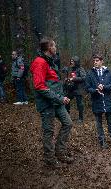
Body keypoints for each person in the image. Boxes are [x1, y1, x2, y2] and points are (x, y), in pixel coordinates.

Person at [30, 37, 74, 167]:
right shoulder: (39, 62)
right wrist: (60, 98)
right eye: (54, 46)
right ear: (49, 48)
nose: (56, 48)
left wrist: (63, 88)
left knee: (68, 123)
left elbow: (52, 81)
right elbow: (39, 86)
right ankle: (50, 159)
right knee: (48, 131)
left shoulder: (50, 61)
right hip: (47, 103)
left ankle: (60, 152)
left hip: (57, 102)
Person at [85, 54, 111, 148]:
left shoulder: (109, 72)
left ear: (102, 61)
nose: (95, 62)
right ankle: (102, 140)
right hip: (96, 101)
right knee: (98, 122)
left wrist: (104, 87)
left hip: (108, 100)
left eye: (97, 60)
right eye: (94, 61)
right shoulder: (90, 73)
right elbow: (87, 88)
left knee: (110, 121)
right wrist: (95, 90)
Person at [63, 56, 86, 123]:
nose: (71, 62)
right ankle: (67, 116)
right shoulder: (71, 69)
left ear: (76, 62)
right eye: (71, 61)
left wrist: (73, 79)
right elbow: (70, 77)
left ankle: (81, 118)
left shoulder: (81, 69)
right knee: (67, 99)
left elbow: (83, 78)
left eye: (73, 61)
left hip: (79, 89)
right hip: (72, 89)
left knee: (79, 104)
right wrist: (67, 79)